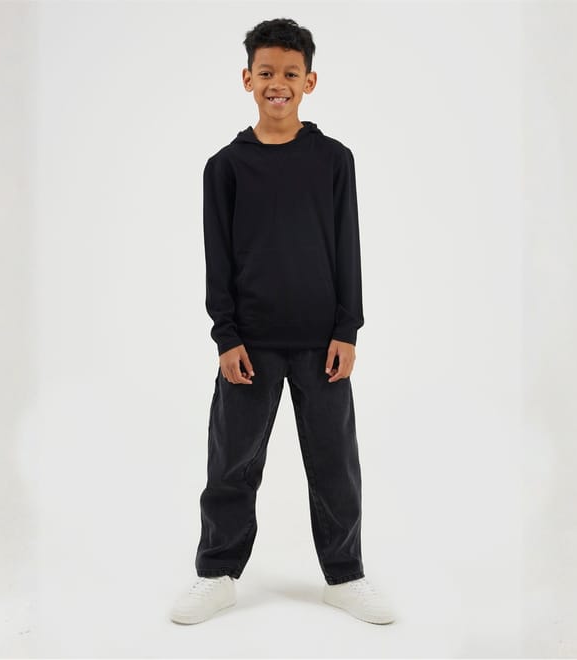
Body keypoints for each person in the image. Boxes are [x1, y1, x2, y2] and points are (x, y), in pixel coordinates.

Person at [170, 17, 395, 626]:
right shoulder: (226, 166)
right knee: (232, 463)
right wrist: (226, 336)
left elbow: (347, 247)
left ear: (309, 82)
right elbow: (218, 258)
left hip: (322, 345)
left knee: (334, 464)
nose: (278, 83)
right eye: (266, 72)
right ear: (247, 79)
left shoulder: (333, 160)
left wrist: (348, 329)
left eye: (290, 74)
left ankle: (345, 576)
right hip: (250, 345)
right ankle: (216, 574)